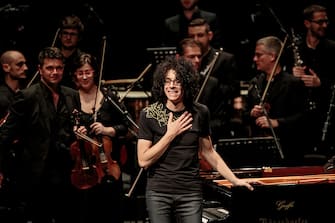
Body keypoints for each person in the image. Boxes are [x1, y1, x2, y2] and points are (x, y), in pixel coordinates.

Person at [137, 56, 254, 223]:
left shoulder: (200, 112)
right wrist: (170, 134)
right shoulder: (149, 114)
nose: (172, 86)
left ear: (186, 83)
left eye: (177, 81)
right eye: (167, 81)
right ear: (161, 84)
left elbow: (209, 152)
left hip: (190, 193)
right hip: (159, 193)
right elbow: (143, 160)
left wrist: (235, 180)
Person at [0, 46, 85, 223]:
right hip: (37, 175)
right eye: (49, 68)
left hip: (68, 171)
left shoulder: (72, 95)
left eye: (59, 68)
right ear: (40, 70)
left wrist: (81, 131)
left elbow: (78, 126)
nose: (55, 72)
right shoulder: (27, 96)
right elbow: (5, 136)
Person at [71, 52, 129, 223]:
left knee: (111, 213)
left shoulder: (109, 97)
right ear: (75, 74)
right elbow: (63, 127)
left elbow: (125, 127)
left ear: (95, 72)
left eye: (88, 72)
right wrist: (74, 129)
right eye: (80, 73)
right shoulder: (70, 98)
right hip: (84, 166)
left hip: (108, 165)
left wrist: (107, 129)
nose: (84, 76)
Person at [246, 36, 307, 166]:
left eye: (259, 55)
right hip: (259, 148)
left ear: (272, 56)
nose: (254, 59)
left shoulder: (292, 83)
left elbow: (304, 117)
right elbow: (245, 114)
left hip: (287, 149)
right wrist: (252, 113)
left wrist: (277, 122)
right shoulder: (255, 82)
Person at [289, 4, 335, 160]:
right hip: (299, 117)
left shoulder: (332, 48)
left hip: (326, 116)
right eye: (320, 22)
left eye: (326, 21)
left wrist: (320, 83)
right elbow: (283, 82)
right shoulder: (294, 49)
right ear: (307, 23)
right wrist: (292, 75)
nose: (324, 25)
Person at [187, 18, 241, 141]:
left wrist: (209, 84)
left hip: (215, 119)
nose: (195, 40)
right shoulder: (186, 60)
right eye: (191, 36)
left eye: (200, 35)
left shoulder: (224, 59)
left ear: (209, 36)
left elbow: (232, 91)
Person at [0, 50, 28, 220]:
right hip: (5, 162)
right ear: (6, 67)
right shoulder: (1, 97)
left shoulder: (25, 94)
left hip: (22, 162)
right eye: (20, 64)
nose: (26, 68)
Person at [57, 14, 85, 89]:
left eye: (72, 34)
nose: (68, 37)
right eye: (65, 33)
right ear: (59, 35)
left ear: (79, 38)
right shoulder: (52, 58)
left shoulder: (83, 60)